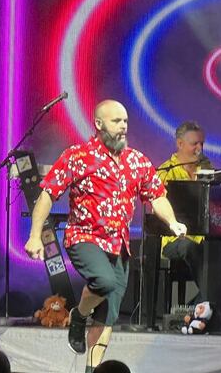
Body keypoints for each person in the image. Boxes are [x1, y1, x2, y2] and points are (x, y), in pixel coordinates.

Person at [24, 100, 188, 373]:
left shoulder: (136, 161)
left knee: (108, 314)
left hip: (119, 245)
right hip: (84, 238)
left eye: (125, 121)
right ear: (99, 124)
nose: (123, 126)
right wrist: (34, 236)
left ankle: (93, 369)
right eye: (116, 121)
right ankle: (78, 314)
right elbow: (47, 194)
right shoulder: (77, 156)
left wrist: (172, 221)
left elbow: (157, 196)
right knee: (104, 281)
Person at [156, 121, 213, 303]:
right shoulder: (165, 172)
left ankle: (198, 306)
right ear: (180, 144)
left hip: (204, 238)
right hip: (174, 241)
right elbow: (158, 207)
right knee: (189, 247)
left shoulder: (206, 170)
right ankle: (208, 303)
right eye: (194, 144)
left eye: (201, 144)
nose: (199, 148)